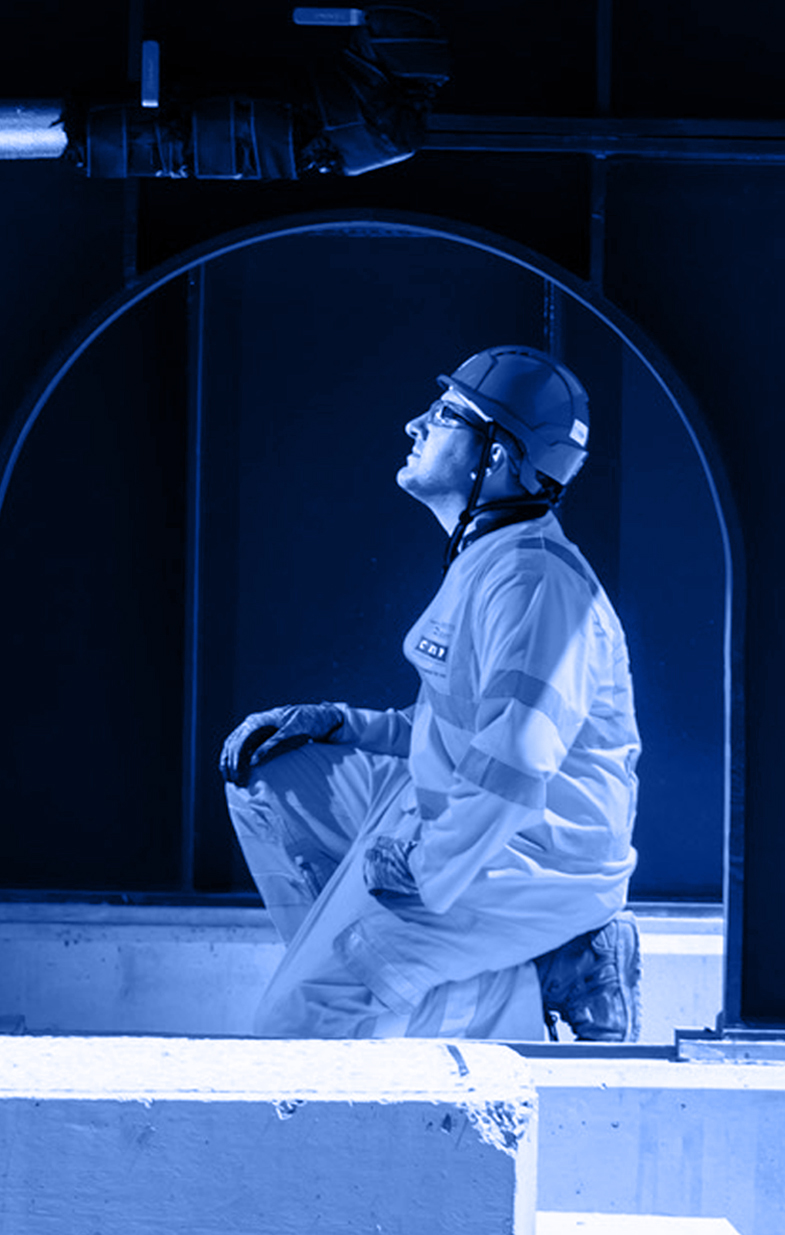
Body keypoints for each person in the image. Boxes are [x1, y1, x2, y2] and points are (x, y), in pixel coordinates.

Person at [218, 345, 643, 1041]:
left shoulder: (538, 586)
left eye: (445, 414)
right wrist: (343, 725)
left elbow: (513, 765)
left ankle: (529, 972)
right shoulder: (489, 555)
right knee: (270, 778)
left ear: (497, 457)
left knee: (299, 1022)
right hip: (460, 813)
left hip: (528, 858)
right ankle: (394, 969)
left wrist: (427, 869)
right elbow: (452, 722)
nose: (414, 423)